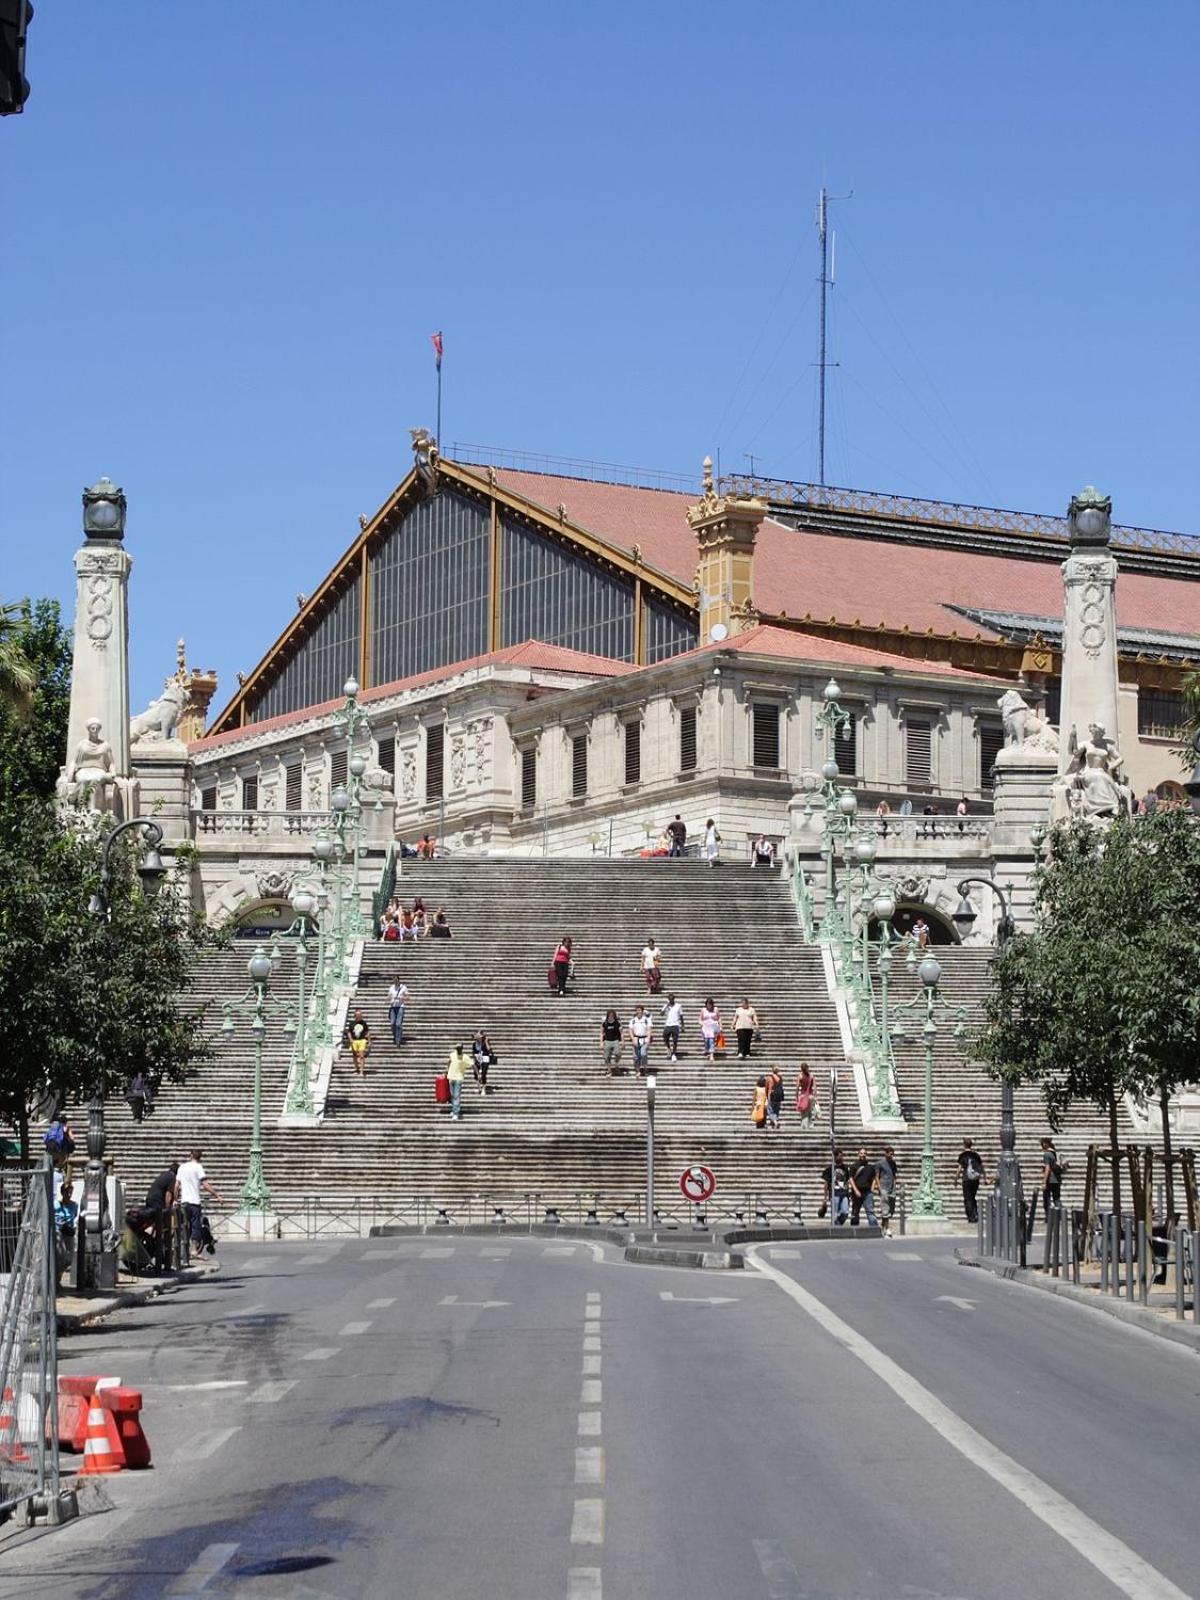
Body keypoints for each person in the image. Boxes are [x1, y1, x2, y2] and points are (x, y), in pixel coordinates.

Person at [176, 1149, 225, 1255]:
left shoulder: (182, 1167)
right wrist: (217, 1196)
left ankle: (182, 1250)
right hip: (194, 1202)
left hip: (184, 1202)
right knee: (195, 1226)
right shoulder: (198, 1167)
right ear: (200, 1158)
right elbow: (205, 1185)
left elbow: (176, 1185)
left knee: (184, 1225)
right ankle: (193, 1249)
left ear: (190, 1155)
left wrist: (175, 1199)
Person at [1027, 1136, 1063, 1237]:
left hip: (1050, 1180)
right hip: (1057, 1180)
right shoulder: (1054, 1152)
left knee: (1046, 1199)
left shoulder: (1047, 1154)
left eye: (1043, 1143)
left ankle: (1049, 1218)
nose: (1042, 1145)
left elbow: (1047, 1168)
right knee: (1057, 1199)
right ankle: (1059, 1217)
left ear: (1046, 1143)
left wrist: (1044, 1181)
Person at [955, 1138, 985, 1224]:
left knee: (968, 1198)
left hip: (966, 1179)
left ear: (964, 1145)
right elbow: (982, 1167)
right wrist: (985, 1178)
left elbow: (959, 1169)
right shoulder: (975, 1155)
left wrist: (956, 1179)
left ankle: (971, 1216)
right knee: (973, 1197)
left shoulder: (963, 1155)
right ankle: (975, 1213)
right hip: (975, 1179)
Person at [849, 1147, 879, 1227]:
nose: (863, 1155)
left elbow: (874, 1178)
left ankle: (874, 1229)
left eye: (864, 1153)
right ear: (858, 1154)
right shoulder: (854, 1166)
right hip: (857, 1192)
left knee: (870, 1211)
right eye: (861, 1153)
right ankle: (854, 1230)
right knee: (855, 1212)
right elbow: (850, 1179)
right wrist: (855, 1190)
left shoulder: (870, 1167)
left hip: (867, 1192)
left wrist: (872, 1189)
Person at [821, 1149, 850, 1224]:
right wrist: (825, 1198)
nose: (841, 1158)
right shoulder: (830, 1168)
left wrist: (848, 1193)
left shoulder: (845, 1168)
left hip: (844, 1193)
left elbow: (847, 1181)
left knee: (845, 1212)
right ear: (835, 1157)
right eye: (839, 1156)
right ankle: (836, 1228)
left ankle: (838, 1226)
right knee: (835, 1215)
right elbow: (826, 1183)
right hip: (834, 1194)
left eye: (842, 1156)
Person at [875, 1145, 898, 1237]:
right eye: (890, 1154)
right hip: (883, 1187)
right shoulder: (880, 1163)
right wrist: (879, 1188)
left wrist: (895, 1186)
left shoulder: (893, 1163)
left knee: (890, 1210)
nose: (891, 1156)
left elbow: (894, 1175)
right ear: (886, 1153)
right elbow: (877, 1176)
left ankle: (882, 1227)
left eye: (892, 1154)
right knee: (885, 1209)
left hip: (891, 1188)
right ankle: (887, 1229)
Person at [344, 1010, 371, 1076]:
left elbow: (367, 1032)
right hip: (354, 1041)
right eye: (358, 1015)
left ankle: (362, 1071)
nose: (360, 1016)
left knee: (361, 1056)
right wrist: (350, 1039)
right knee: (355, 1056)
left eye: (361, 1015)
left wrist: (369, 1041)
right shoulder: (352, 1023)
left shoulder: (364, 1023)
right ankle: (357, 1069)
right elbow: (349, 1032)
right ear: (355, 1016)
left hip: (362, 1040)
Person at [446, 1044, 469, 1119]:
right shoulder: (452, 1055)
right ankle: (454, 1109)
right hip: (451, 1077)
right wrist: (447, 1071)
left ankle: (456, 1113)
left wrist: (478, 1074)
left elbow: (473, 1064)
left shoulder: (465, 1057)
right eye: (457, 1048)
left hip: (459, 1078)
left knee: (456, 1095)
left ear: (462, 1049)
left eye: (459, 1048)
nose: (458, 1050)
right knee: (452, 1095)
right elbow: (449, 1062)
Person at [628, 1004, 651, 1073]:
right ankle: (638, 1071)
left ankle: (645, 1067)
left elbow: (649, 1030)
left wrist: (648, 1039)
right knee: (636, 1056)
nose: (638, 1012)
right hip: (636, 1038)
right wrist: (633, 1038)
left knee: (643, 1054)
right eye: (637, 1010)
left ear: (642, 1011)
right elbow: (630, 1030)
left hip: (644, 1038)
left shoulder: (646, 1020)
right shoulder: (633, 1020)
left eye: (640, 1010)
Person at [387, 976, 410, 1046]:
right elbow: (388, 997)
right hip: (393, 1007)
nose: (395, 981)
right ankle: (396, 1036)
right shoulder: (391, 988)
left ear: (399, 980)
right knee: (392, 1023)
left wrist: (402, 998)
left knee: (398, 1024)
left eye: (396, 980)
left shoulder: (403, 988)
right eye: (394, 980)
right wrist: (390, 1000)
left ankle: (398, 1040)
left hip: (400, 1007)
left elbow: (408, 997)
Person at [661, 994, 683, 1062]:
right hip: (668, 1024)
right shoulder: (666, 1006)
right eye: (669, 999)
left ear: (674, 999)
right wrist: (666, 1006)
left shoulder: (678, 1006)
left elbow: (681, 1016)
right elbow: (661, 1014)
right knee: (665, 1036)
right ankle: (669, 1048)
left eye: (672, 999)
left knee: (675, 1040)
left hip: (675, 1024)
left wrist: (683, 1025)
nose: (671, 1000)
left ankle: (673, 1054)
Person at [600, 1009, 624, 1074]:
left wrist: (622, 1042)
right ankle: (609, 1069)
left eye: (612, 1015)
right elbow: (601, 1033)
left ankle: (616, 1064)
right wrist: (601, 1042)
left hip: (615, 1040)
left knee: (618, 1053)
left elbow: (621, 1033)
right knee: (606, 1056)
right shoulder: (605, 1023)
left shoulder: (617, 1023)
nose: (611, 1016)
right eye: (610, 1015)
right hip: (607, 1040)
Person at [765, 1066, 785, 1131]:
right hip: (779, 1096)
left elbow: (767, 1088)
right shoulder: (780, 1078)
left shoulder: (769, 1078)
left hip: (772, 1095)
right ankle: (772, 1124)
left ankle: (775, 1122)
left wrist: (766, 1096)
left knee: (770, 1110)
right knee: (776, 1110)